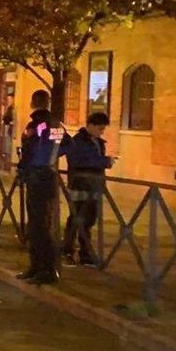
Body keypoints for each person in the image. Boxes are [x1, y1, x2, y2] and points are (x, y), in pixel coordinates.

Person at [16, 90, 66, 284]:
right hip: (48, 174)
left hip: (37, 176)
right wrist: (51, 157)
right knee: (41, 224)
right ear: (48, 102)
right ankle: (38, 267)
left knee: (38, 225)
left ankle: (43, 269)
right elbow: (66, 145)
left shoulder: (39, 124)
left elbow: (32, 147)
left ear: (33, 102)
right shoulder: (56, 124)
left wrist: (24, 167)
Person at [61, 111, 113, 267]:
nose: (101, 132)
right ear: (91, 125)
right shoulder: (78, 141)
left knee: (89, 220)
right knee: (76, 219)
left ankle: (85, 253)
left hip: (94, 186)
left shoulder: (97, 142)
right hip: (80, 185)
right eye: (100, 128)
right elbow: (80, 161)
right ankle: (68, 251)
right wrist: (104, 161)